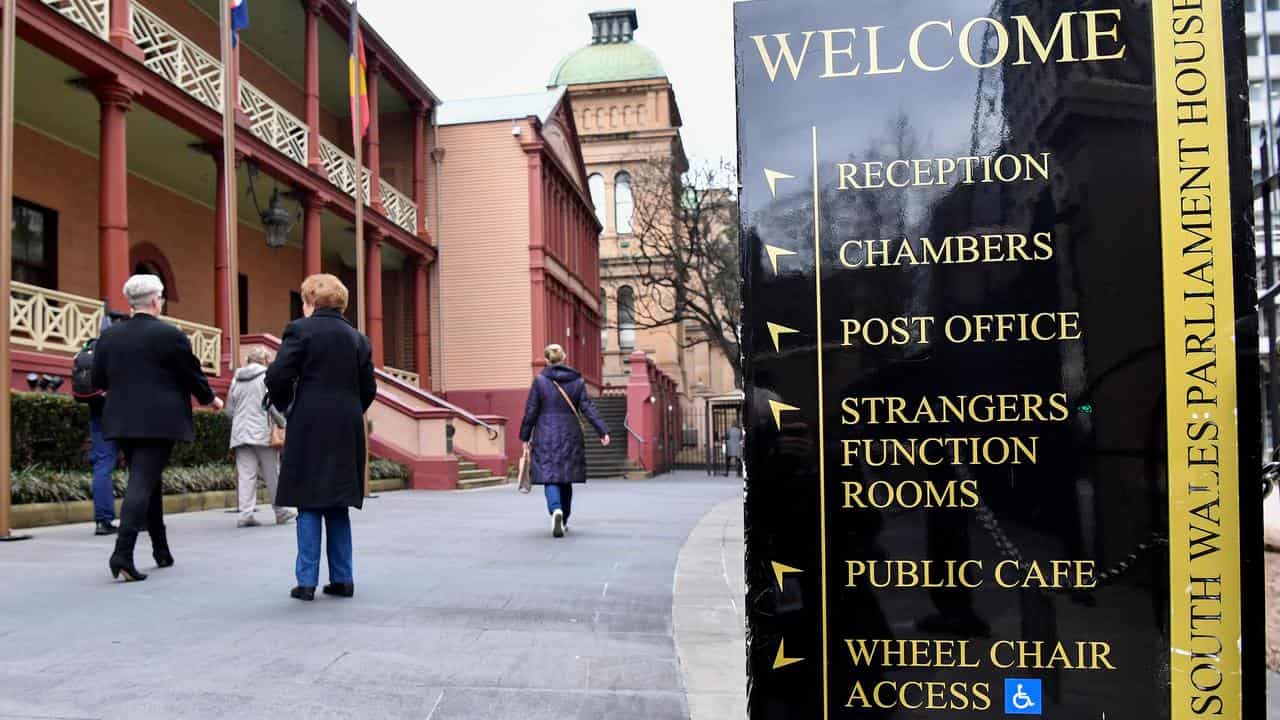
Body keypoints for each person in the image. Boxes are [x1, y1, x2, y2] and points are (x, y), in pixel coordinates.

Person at [92, 275, 222, 582]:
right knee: (142, 482)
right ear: (155, 300)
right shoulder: (170, 334)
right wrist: (210, 399)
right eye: (161, 298)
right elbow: (191, 373)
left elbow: (98, 380)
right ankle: (122, 553)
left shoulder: (109, 336)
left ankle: (161, 550)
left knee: (148, 480)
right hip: (158, 420)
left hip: (121, 419)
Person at [266, 274, 376, 602]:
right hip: (346, 425)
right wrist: (350, 408)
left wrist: (288, 404)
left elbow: (277, 374)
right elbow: (369, 388)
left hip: (309, 422)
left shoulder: (300, 330)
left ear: (312, 301)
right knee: (338, 502)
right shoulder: (358, 339)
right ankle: (343, 579)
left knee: (309, 501)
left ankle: (306, 581)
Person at [519, 344, 610, 538]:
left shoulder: (540, 381)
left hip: (545, 433)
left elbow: (531, 411)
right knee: (565, 477)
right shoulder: (577, 381)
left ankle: (556, 509)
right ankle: (565, 518)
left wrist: (525, 437)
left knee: (549, 475)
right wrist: (602, 430)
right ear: (564, 358)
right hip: (570, 433)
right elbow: (587, 407)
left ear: (546, 360)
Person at [225, 347, 295, 528]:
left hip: (240, 433)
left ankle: (245, 514)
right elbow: (270, 404)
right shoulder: (266, 377)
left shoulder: (236, 379)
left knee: (246, 474)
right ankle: (280, 511)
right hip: (261, 432)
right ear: (264, 361)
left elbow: (229, 410)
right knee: (272, 473)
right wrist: (282, 423)